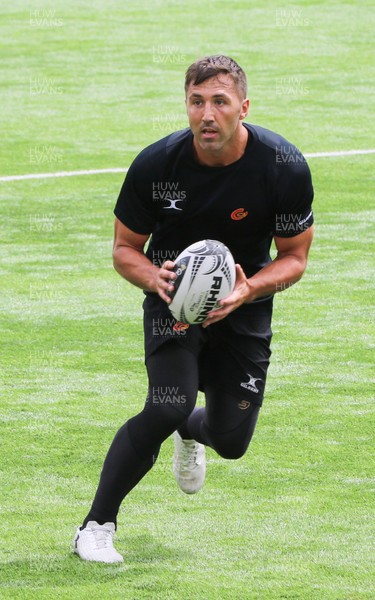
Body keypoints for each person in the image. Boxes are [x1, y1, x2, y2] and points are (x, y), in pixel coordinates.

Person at [73, 54, 314, 563]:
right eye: (196, 101)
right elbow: (123, 249)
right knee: (167, 403)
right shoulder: (156, 165)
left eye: (220, 102)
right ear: (186, 106)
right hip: (173, 304)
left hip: (244, 306)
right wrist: (151, 276)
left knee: (230, 441)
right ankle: (96, 525)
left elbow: (294, 258)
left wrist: (249, 290)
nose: (207, 114)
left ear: (242, 107)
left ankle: (193, 430)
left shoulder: (281, 166)